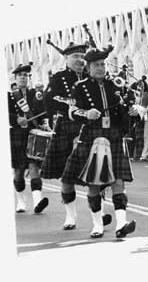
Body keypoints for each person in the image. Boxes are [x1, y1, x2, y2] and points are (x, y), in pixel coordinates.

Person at [62, 45, 137, 238]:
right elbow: (72, 112)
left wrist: (132, 112)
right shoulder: (80, 87)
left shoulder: (117, 85)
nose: (101, 68)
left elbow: (125, 113)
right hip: (92, 136)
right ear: (88, 67)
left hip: (114, 136)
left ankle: (121, 225)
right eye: (96, 65)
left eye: (103, 64)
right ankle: (97, 225)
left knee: (118, 182)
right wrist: (86, 113)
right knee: (94, 184)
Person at [41, 42, 111, 230]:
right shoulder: (58, 78)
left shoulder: (93, 77)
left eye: (82, 56)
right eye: (75, 57)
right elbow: (51, 100)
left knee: (97, 173)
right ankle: (70, 216)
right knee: (67, 177)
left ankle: (100, 213)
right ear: (66, 59)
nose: (80, 60)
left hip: (92, 129)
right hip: (67, 128)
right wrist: (76, 107)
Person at [9, 63, 49, 214]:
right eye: (20, 76)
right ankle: (20, 201)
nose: (23, 78)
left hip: (33, 134)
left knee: (34, 167)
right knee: (19, 171)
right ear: (15, 78)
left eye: (25, 75)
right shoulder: (10, 96)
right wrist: (16, 119)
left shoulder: (36, 95)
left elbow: (43, 112)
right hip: (17, 135)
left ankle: (38, 202)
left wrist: (44, 123)